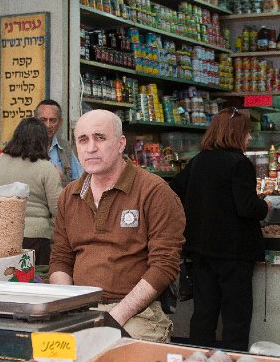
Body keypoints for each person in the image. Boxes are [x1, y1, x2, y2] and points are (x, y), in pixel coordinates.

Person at [49, 109, 185, 342]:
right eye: (83, 140)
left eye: (100, 138)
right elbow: (61, 258)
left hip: (136, 313)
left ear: (121, 143)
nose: (91, 147)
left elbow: (164, 266)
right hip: (82, 308)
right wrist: (69, 307)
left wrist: (113, 318)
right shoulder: (69, 195)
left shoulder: (154, 192)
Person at [169, 107, 270, 352]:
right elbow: (247, 207)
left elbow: (173, 189)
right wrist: (265, 205)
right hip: (234, 254)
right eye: (246, 133)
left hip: (202, 251)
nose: (249, 138)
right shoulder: (239, 163)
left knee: (204, 313)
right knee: (236, 318)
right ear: (235, 134)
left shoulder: (198, 161)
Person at [0, 117, 63, 267]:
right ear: (43, 141)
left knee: (9, 278)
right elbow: (58, 209)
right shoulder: (47, 168)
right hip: (36, 237)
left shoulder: (0, 160)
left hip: (4, 232)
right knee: (34, 282)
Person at [35, 100, 83, 185]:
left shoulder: (65, 147)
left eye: (53, 120)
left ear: (60, 122)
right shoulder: (25, 147)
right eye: (43, 120)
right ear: (35, 121)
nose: (48, 125)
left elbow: (79, 179)